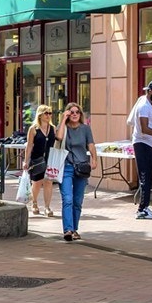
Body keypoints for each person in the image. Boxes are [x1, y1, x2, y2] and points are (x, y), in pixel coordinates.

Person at [55, 103, 94, 242]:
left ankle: (75, 229)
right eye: (71, 112)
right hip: (65, 167)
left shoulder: (85, 129)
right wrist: (62, 120)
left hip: (81, 167)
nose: (74, 114)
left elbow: (91, 145)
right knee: (68, 199)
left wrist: (94, 159)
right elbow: (59, 138)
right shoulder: (63, 128)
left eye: (77, 112)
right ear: (67, 114)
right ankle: (68, 230)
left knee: (77, 201)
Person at [127, 81, 152, 219]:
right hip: (142, 143)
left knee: (148, 176)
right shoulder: (144, 107)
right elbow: (144, 128)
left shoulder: (149, 103)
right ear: (149, 92)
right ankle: (142, 209)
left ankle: (144, 207)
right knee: (145, 177)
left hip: (147, 144)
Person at [22, 105, 57, 217]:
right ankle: (35, 203)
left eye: (50, 113)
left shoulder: (53, 128)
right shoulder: (33, 129)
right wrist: (26, 161)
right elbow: (29, 146)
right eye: (46, 113)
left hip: (49, 159)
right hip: (36, 159)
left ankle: (47, 207)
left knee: (48, 182)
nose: (48, 115)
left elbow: (56, 144)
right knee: (36, 183)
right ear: (40, 115)